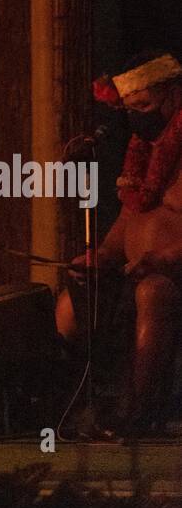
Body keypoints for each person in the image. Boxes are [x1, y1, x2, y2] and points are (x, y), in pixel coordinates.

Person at [57, 50, 182, 436]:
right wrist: (100, 255)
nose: (136, 116)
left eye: (143, 105)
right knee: (72, 300)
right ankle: (79, 407)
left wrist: (163, 258)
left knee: (152, 293)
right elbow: (127, 222)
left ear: (173, 93)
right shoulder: (142, 154)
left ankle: (138, 411)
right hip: (133, 270)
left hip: (170, 275)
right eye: (129, 108)